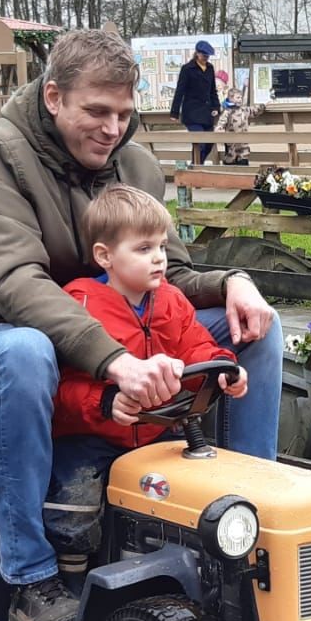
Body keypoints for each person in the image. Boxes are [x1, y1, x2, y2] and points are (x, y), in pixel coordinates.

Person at [0, 28, 282, 621]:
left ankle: (247, 523)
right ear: (53, 98)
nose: (111, 128)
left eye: (124, 114)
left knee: (252, 327)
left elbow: (164, 273)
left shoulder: (135, 162)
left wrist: (234, 281)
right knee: (25, 350)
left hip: (106, 340)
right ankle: (31, 581)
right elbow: (16, 283)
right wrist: (115, 360)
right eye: (96, 112)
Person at [45, 187, 250, 567]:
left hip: (158, 431)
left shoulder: (170, 299)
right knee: (73, 508)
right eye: (143, 249)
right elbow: (58, 386)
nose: (158, 259)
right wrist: (105, 402)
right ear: (105, 256)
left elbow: (197, 346)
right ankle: (70, 577)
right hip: (94, 435)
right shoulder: (80, 304)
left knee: (205, 490)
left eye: (161, 247)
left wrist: (225, 367)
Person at [171, 40, 221, 164]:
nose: (206, 58)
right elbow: (180, 91)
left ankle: (196, 165)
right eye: (204, 55)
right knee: (200, 142)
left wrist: (216, 107)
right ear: (197, 53)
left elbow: (212, 90)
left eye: (208, 56)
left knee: (209, 143)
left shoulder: (210, 68)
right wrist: (174, 112)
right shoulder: (187, 69)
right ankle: (196, 168)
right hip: (192, 113)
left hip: (206, 113)